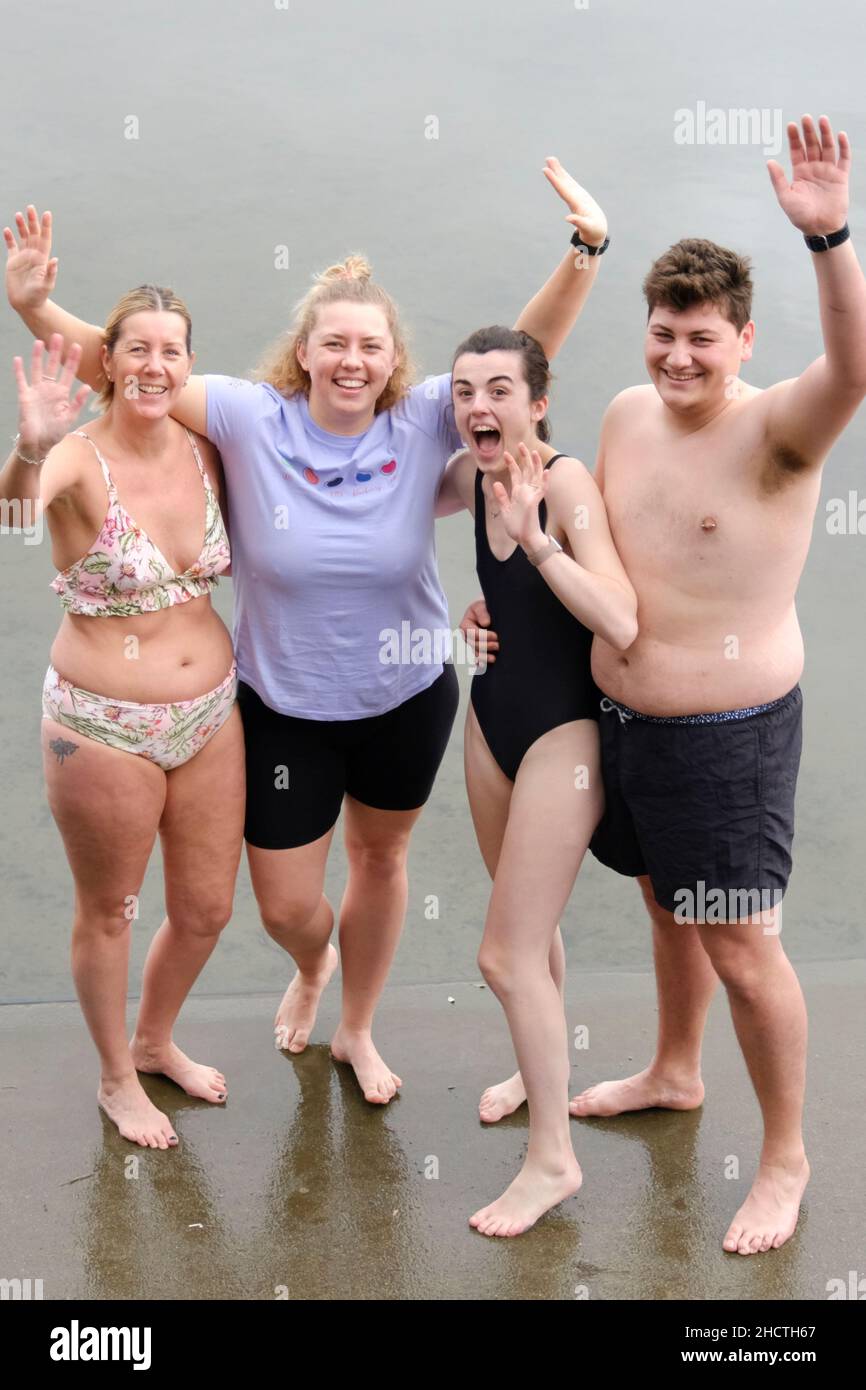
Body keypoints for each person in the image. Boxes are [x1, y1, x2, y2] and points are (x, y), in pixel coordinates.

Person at [6, 159, 609, 1105]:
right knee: (289, 905)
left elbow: (518, 358)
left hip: (407, 692)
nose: (353, 360)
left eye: (370, 345)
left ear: (394, 358)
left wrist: (585, 250)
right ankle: (310, 965)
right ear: (306, 350)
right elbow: (129, 370)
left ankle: (357, 1031)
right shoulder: (250, 420)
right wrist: (37, 312)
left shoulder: (421, 423)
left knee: (381, 860)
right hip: (280, 702)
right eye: (334, 343)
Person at [462, 114, 866, 1254]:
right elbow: (603, 561)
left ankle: (782, 1155)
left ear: (741, 339)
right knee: (661, 905)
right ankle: (674, 1070)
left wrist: (828, 236)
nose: (674, 358)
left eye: (698, 338)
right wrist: (511, 607)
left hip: (727, 731)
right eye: (659, 334)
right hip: (621, 716)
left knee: (739, 942)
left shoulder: (780, 431)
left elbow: (855, 363)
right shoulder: (627, 414)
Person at [0, 293, 246, 1149]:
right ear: (105, 361)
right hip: (102, 725)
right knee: (111, 909)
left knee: (208, 909)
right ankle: (115, 1077)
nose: (153, 365)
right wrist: (27, 447)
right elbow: (15, 512)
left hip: (212, 714)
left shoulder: (208, 445)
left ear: (188, 365)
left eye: (171, 351)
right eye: (135, 349)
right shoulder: (73, 457)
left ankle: (155, 1036)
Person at [435, 322, 636, 1236]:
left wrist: (540, 543)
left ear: (537, 401)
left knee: (501, 955)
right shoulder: (478, 477)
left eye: (500, 389)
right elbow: (506, 602)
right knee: (531, 932)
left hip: (566, 733)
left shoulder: (564, 482)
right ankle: (536, 1066)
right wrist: (479, 618)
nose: (480, 405)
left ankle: (553, 1160)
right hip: (493, 718)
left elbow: (622, 621)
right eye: (465, 390)